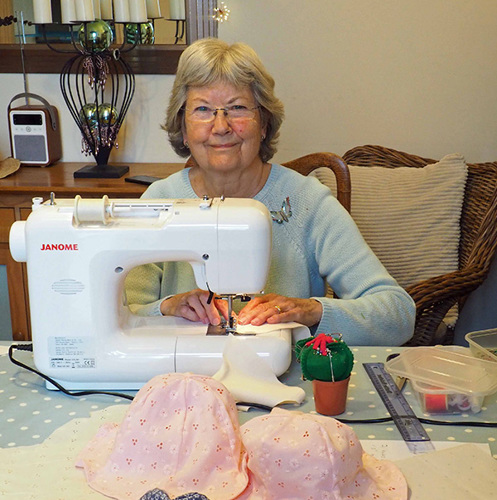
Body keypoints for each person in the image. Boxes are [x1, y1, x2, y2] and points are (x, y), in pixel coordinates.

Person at [125, 38, 415, 345]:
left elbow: (398, 315)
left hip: (288, 385)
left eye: (237, 108)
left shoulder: (306, 202)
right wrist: (168, 307)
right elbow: (117, 312)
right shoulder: (158, 204)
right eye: (203, 109)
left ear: (263, 123)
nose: (221, 126)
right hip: (181, 379)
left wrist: (311, 311)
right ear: (183, 128)